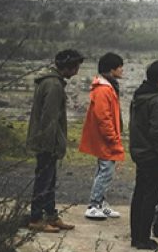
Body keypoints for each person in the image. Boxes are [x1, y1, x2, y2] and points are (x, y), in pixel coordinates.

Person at [27, 49, 84, 232]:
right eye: (75, 67)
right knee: (44, 180)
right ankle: (36, 218)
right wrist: (50, 144)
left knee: (49, 180)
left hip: (46, 140)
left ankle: (50, 215)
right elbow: (49, 118)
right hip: (47, 142)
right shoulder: (54, 85)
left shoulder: (51, 82)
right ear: (68, 67)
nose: (76, 71)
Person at [129, 60, 158, 250]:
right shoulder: (157, 100)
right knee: (150, 198)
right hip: (153, 156)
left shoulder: (141, 95)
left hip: (141, 152)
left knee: (140, 195)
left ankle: (137, 236)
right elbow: (157, 130)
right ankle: (143, 239)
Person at [79, 52, 125, 220]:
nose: (122, 70)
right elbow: (103, 117)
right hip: (105, 139)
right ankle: (94, 204)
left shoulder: (107, 87)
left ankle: (100, 203)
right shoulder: (103, 90)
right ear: (112, 69)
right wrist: (113, 138)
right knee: (106, 170)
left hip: (106, 137)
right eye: (120, 67)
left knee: (104, 169)